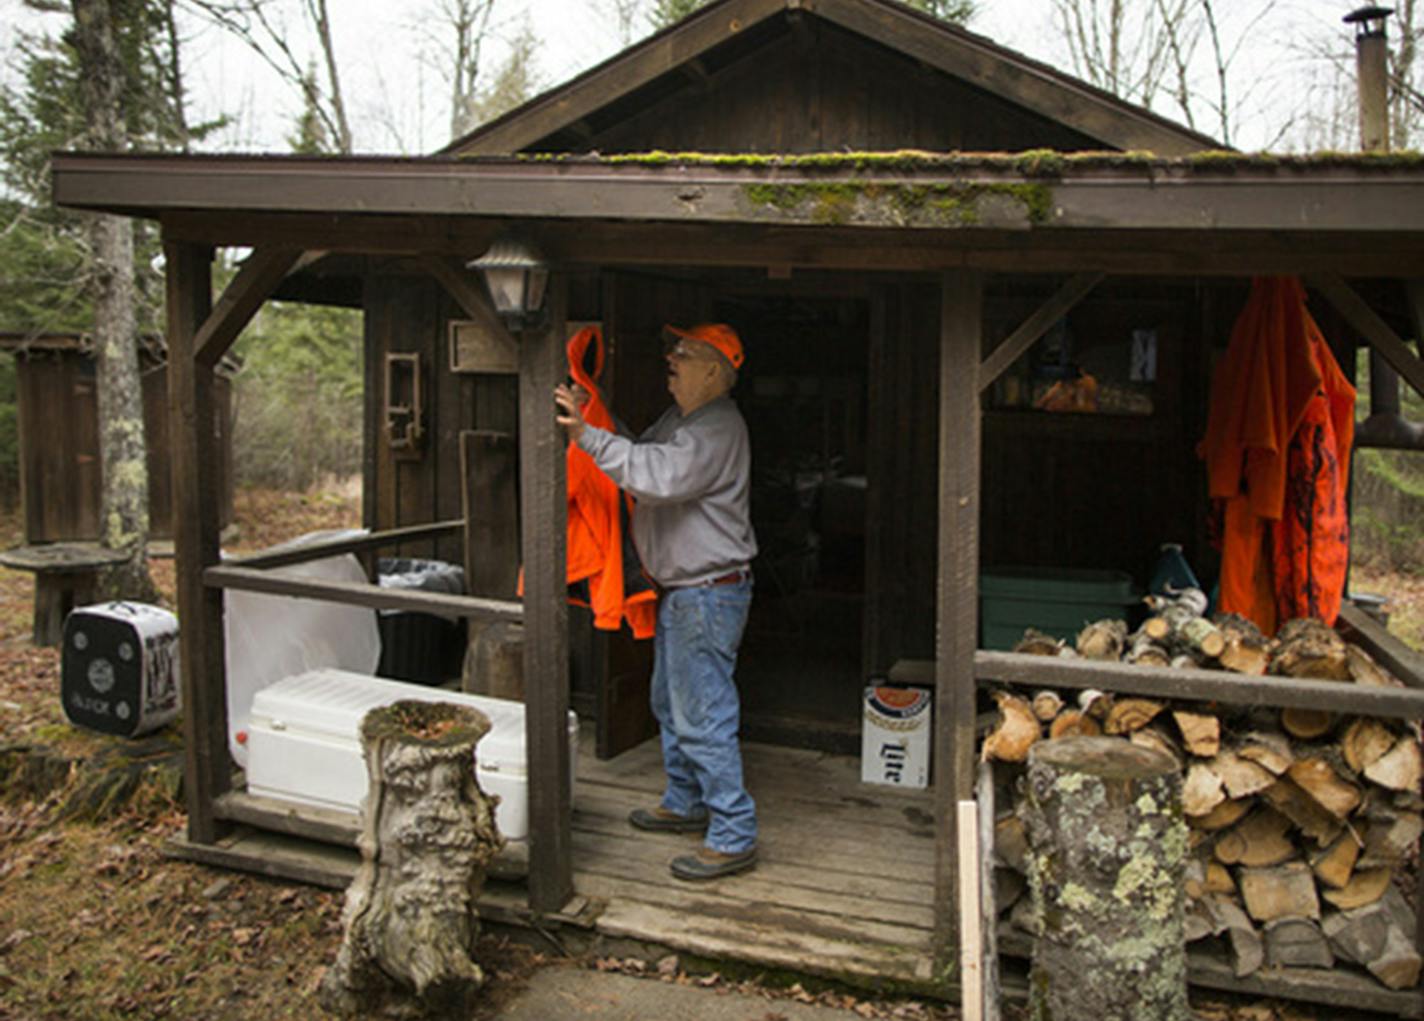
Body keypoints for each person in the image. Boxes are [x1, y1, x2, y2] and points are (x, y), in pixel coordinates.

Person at [554, 322, 758, 881]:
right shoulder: (686, 419)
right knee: (672, 704)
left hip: (707, 595)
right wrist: (592, 415)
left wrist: (588, 439)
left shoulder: (716, 426)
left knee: (703, 715)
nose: (671, 357)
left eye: (684, 352)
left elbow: (655, 478)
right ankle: (686, 799)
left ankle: (734, 832)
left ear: (714, 370)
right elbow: (639, 451)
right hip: (688, 593)